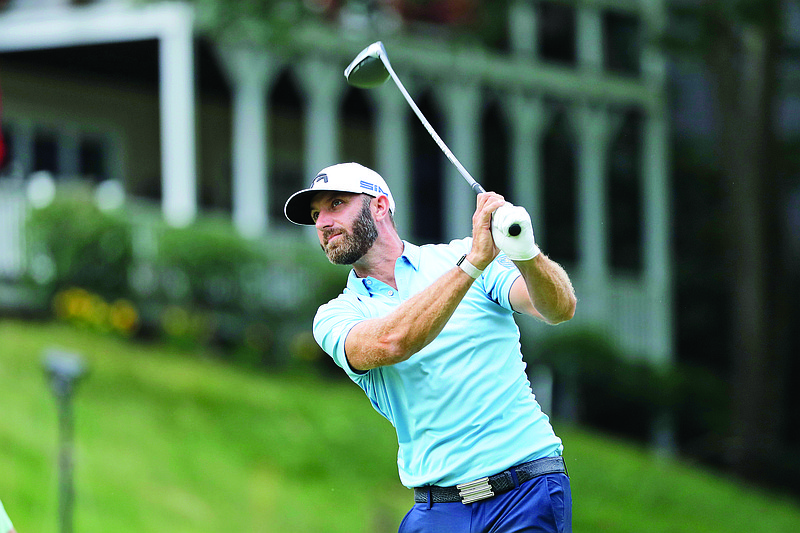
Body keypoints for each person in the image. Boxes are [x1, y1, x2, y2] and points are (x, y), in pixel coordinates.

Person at [284, 162, 577, 532]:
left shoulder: (463, 256)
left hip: (525, 489)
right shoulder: (336, 315)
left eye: (336, 204)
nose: (322, 222)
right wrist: (472, 264)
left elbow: (559, 308)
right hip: (438, 509)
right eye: (315, 214)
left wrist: (526, 251)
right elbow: (391, 342)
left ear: (379, 205)